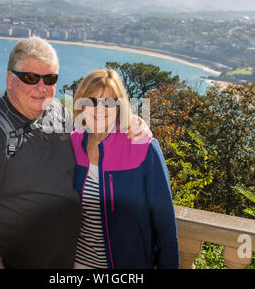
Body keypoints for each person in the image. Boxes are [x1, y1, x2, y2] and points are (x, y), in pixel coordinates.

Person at [0, 36, 151, 269]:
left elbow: (94, 135)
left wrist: (130, 122)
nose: (41, 87)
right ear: (9, 79)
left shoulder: (56, 112)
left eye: (50, 78)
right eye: (30, 77)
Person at [70, 69, 179, 269]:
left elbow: (165, 225)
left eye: (109, 103)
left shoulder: (142, 146)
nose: (99, 109)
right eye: (92, 101)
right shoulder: (71, 143)